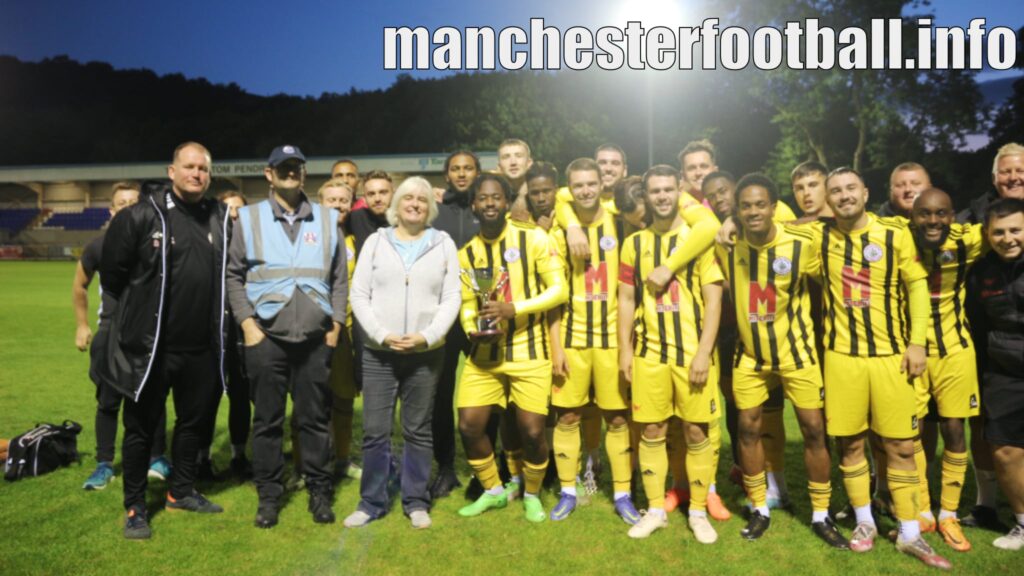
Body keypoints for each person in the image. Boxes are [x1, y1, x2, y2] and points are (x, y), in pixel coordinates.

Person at [810, 168, 948, 568]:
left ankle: (909, 533)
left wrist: (918, 341)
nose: (844, 196)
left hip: (892, 357)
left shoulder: (895, 233)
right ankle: (865, 521)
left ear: (866, 192)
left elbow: (917, 286)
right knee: (851, 444)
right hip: (842, 359)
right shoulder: (817, 236)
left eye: (851, 188)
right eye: (835, 191)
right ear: (827, 199)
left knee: (903, 446)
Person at [100, 142, 230, 539]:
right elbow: (113, 277)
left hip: (202, 349)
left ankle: (182, 490)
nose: (196, 174)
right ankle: (136, 506)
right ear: (171, 171)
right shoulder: (141, 216)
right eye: (189, 167)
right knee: (141, 428)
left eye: (203, 169)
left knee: (194, 423)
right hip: (152, 348)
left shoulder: (220, 217)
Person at [714, 174, 846, 547]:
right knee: (748, 430)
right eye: (746, 206)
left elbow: (833, 263)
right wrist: (724, 226)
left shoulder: (801, 244)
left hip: (797, 352)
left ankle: (821, 514)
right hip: (750, 357)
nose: (753, 211)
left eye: (760, 204)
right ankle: (760, 508)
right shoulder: (726, 245)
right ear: (737, 212)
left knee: (814, 431)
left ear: (774, 208)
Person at [226, 145, 348, 528]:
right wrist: (247, 326)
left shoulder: (328, 219)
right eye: (283, 167)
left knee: (314, 420)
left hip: (315, 339)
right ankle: (269, 495)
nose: (290, 173)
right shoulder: (248, 218)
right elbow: (233, 276)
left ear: (304, 172)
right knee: (268, 421)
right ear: (269, 174)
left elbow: (340, 279)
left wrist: (336, 328)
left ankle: (318, 490)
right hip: (266, 337)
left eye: (296, 167)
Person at [343, 176, 461, 529]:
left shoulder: (443, 243)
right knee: (376, 431)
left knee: (418, 430)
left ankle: (415, 500)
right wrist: (381, 334)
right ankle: (371, 501)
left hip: (425, 354)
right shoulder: (377, 243)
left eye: (422, 200)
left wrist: (427, 336)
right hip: (379, 353)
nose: (414, 204)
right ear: (396, 205)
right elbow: (359, 294)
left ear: (430, 207)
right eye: (407, 198)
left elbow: (451, 297)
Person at [617, 165, 724, 542]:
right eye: (654, 191)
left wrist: (704, 353)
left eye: (667, 190)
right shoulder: (634, 244)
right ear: (644, 195)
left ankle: (697, 511)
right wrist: (624, 351)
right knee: (652, 429)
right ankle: (655, 510)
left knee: (696, 432)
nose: (662, 196)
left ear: (680, 190)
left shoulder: (698, 239)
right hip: (649, 355)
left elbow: (714, 301)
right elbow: (626, 300)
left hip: (691, 354)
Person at [454, 173, 567, 522]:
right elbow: (467, 303)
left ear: (506, 202)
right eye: (482, 198)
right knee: (470, 426)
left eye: (496, 197)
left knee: (533, 431)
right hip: (485, 357)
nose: (489, 203)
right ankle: (493, 491)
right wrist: (472, 326)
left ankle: (531, 494)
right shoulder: (467, 253)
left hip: (528, 349)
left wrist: (514, 308)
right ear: (473, 205)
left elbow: (559, 290)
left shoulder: (532, 238)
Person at [547, 158, 640, 523]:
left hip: (613, 340)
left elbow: (630, 291)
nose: (586, 190)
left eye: (592, 183)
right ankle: (568, 491)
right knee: (567, 416)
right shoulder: (559, 232)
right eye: (578, 185)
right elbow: (554, 296)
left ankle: (622, 493)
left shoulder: (619, 222)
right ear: (570, 188)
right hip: (572, 337)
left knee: (617, 419)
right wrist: (555, 345)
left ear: (602, 183)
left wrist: (628, 346)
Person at [76, 182, 172, 490]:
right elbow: (80, 285)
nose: (128, 207)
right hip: (111, 329)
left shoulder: (155, 242)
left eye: (134, 202)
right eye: (122, 203)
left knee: (152, 396)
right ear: (112, 209)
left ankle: (157, 458)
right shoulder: (99, 245)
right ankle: (104, 464)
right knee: (107, 401)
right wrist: (82, 324)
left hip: (147, 332)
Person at [908, 187, 985, 552]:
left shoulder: (970, 238)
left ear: (953, 216)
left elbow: (1010, 224)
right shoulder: (896, 237)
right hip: (912, 354)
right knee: (911, 433)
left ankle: (949, 513)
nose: (933, 221)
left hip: (955, 350)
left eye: (941, 213)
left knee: (955, 430)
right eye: (925, 214)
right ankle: (922, 510)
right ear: (912, 216)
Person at [958, 143, 1024, 530]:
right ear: (994, 177)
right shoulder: (972, 218)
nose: (1014, 177)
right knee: (991, 433)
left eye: (1020, 170)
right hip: (992, 351)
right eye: (1006, 172)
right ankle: (988, 506)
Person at [429, 150, 482, 499]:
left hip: (481, 313)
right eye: (455, 169)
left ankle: (485, 469)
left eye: (468, 168)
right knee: (440, 392)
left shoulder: (489, 205)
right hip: (444, 315)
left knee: (486, 392)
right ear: (446, 175)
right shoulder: (435, 211)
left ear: (478, 172)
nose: (462, 174)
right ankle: (445, 467)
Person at [194, 189, 253, 482]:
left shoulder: (254, 246)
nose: (233, 215)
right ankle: (201, 458)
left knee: (241, 398)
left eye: (238, 210)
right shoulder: (206, 245)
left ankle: (239, 456)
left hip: (242, 333)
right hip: (211, 335)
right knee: (208, 397)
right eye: (227, 210)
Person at [317, 179, 361, 481]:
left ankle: (343, 459)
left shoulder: (355, 240)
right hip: (315, 332)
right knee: (313, 402)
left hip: (346, 332)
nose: (337, 204)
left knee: (344, 399)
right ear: (320, 203)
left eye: (343, 200)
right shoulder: (309, 237)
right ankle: (310, 462)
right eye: (331, 199)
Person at [349, 169, 394, 253]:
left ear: (393, 193)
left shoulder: (403, 221)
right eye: (371, 194)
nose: (377, 199)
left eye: (383, 192)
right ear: (364, 198)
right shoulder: (356, 218)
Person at [525, 161, 558, 231]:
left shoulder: (570, 220)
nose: (541, 199)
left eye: (546, 191)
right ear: (528, 194)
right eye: (535, 193)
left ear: (556, 190)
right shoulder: (520, 223)